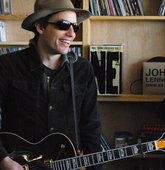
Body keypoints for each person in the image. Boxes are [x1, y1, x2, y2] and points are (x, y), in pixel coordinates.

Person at [0, 0, 102, 169]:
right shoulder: (8, 66)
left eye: (75, 27)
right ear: (40, 27)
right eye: (63, 25)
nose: (71, 33)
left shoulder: (83, 70)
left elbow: (91, 127)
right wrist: (3, 159)